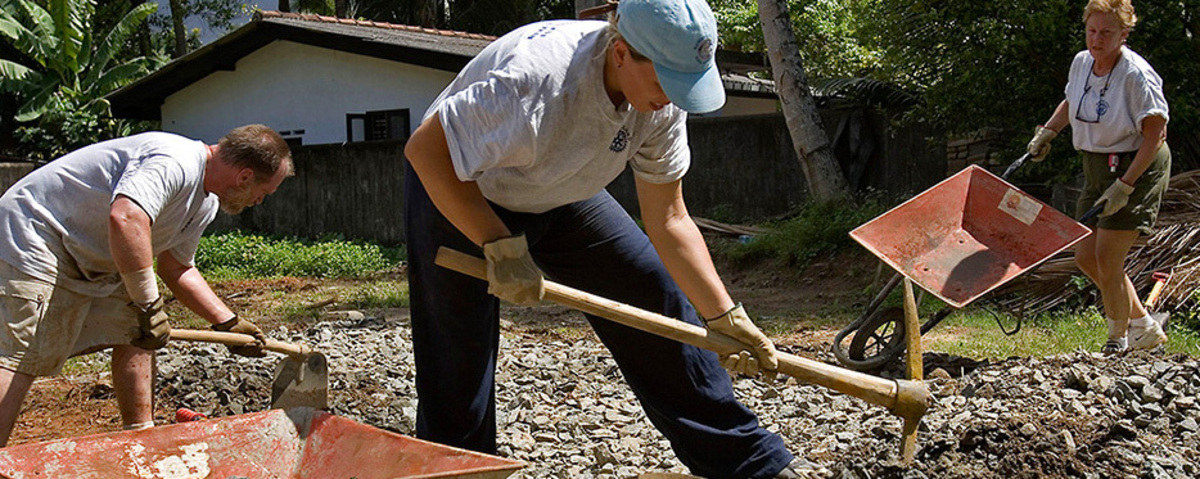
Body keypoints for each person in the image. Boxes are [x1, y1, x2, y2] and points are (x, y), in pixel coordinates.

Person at [403, 0, 816, 477]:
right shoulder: (536, 80)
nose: (672, 98)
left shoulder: (661, 104)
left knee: (652, 295)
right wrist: (498, 243)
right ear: (621, 53)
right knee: (459, 359)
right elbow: (426, 149)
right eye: (664, 82)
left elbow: (669, 218)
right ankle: (459, 470)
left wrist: (723, 314)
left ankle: (747, 462)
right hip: (461, 190)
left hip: (561, 193)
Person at [0, 124, 293, 446]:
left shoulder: (205, 202)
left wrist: (228, 322)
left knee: (138, 333)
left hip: (94, 253)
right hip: (35, 236)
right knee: (21, 354)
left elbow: (177, 266)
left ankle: (140, 437)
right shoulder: (175, 160)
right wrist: (148, 304)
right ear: (245, 177)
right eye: (263, 193)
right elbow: (125, 218)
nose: (258, 201)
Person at [1027, 0, 1169, 354]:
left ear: (1124, 34)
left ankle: (1117, 340)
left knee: (1107, 257)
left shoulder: (1136, 75)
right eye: (1092, 30)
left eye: (1106, 32)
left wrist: (1125, 185)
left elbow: (1156, 134)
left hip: (1138, 164)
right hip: (1096, 164)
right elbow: (1071, 102)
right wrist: (1049, 131)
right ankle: (1144, 327)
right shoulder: (1082, 62)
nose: (1096, 39)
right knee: (1086, 257)